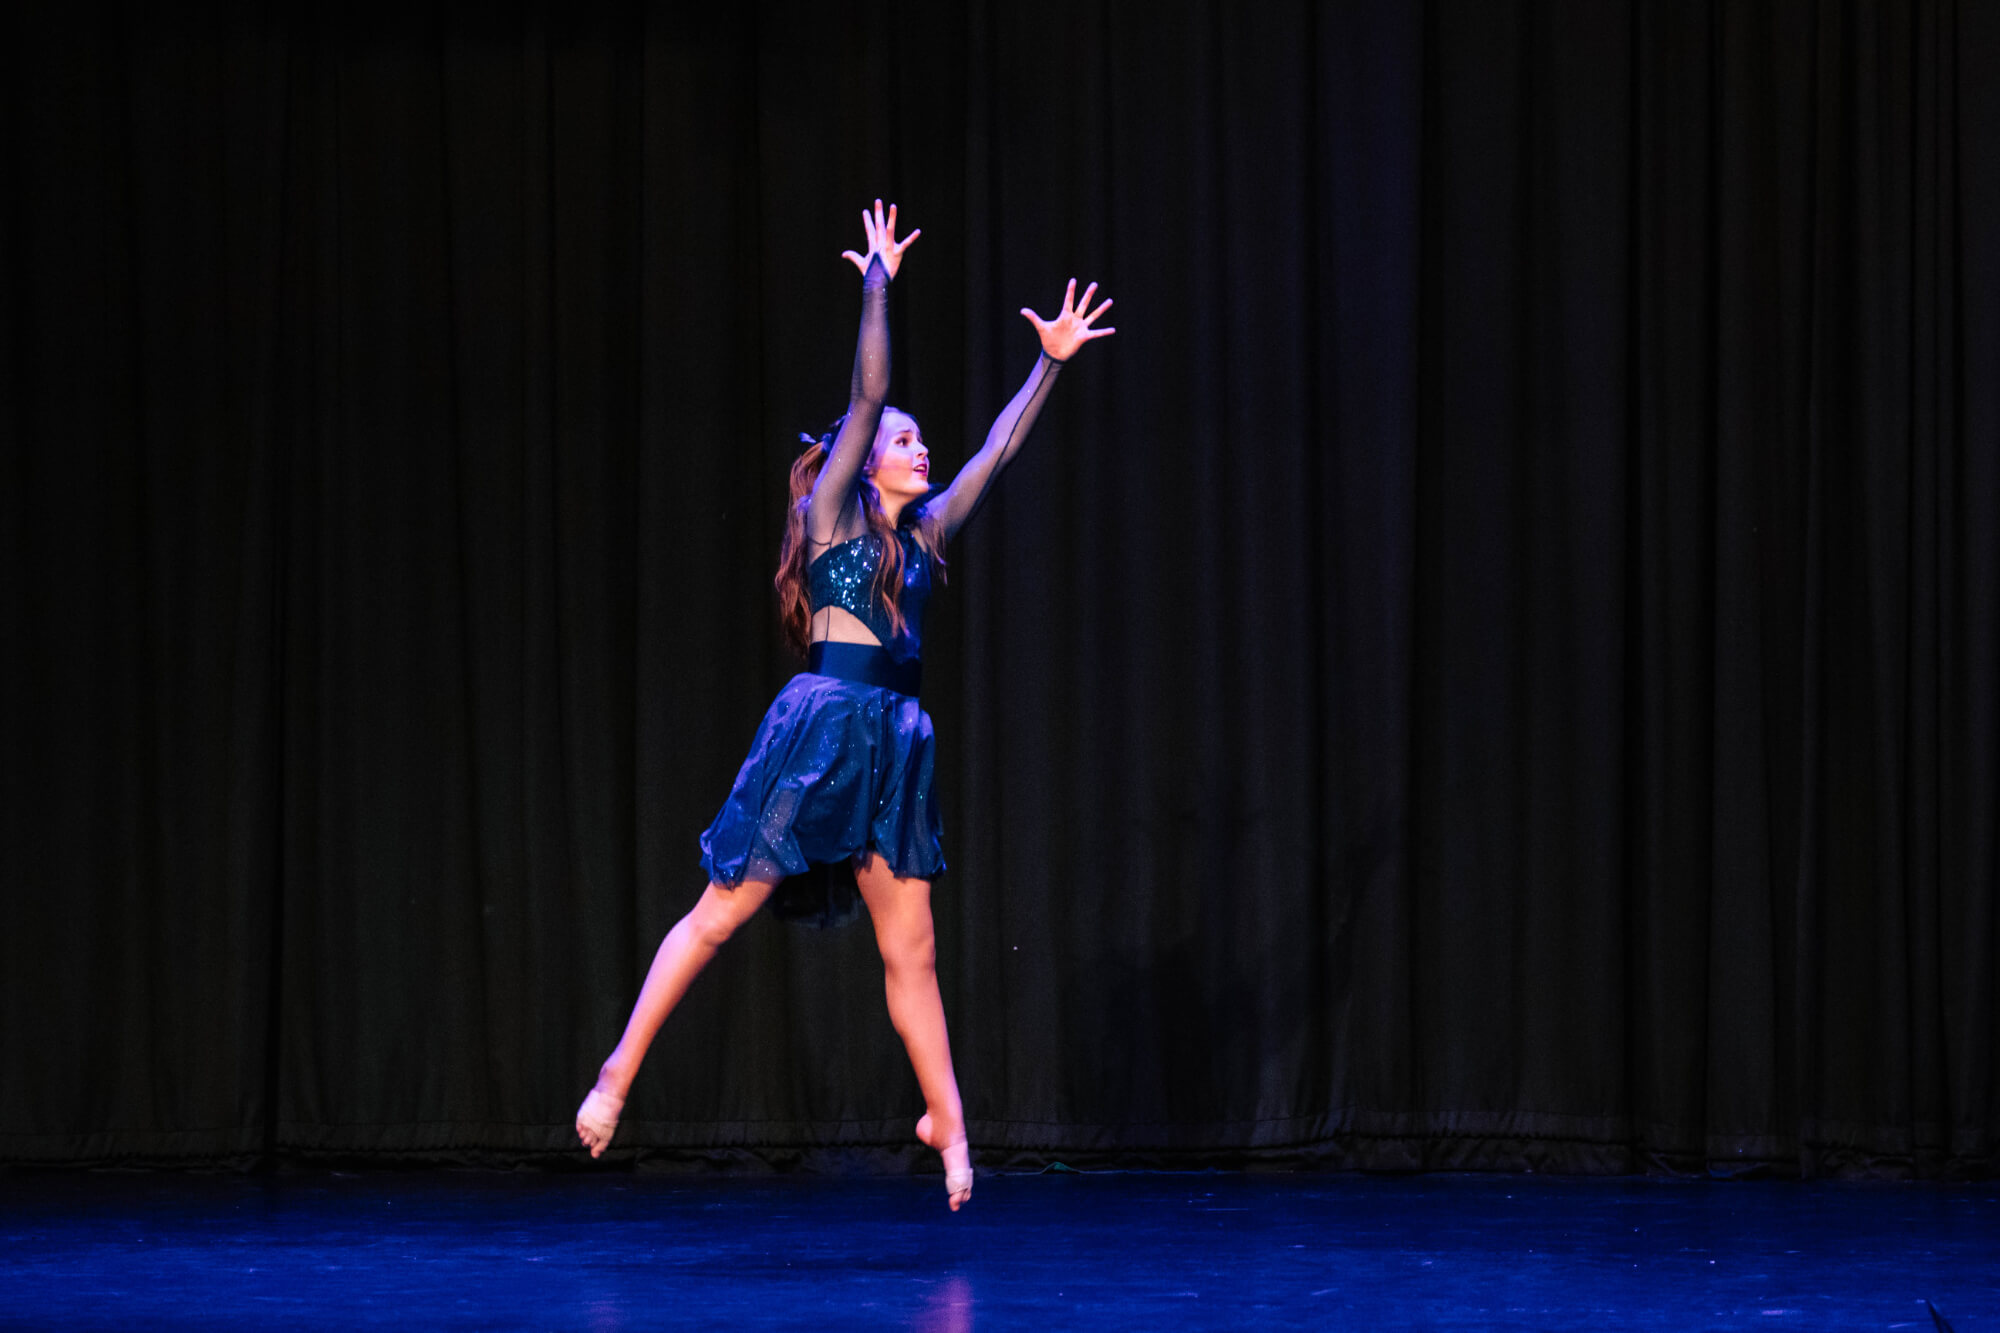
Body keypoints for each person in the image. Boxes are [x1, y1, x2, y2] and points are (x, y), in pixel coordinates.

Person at [574, 199, 1114, 1211]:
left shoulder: (927, 535)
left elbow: (995, 454)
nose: (919, 447)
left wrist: (1048, 366)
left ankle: (948, 1127)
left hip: (897, 741)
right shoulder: (831, 518)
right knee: (721, 912)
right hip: (825, 727)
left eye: (918, 438)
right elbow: (868, 395)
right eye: (904, 440)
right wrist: (877, 285)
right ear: (865, 462)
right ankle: (616, 1071)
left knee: (913, 950)